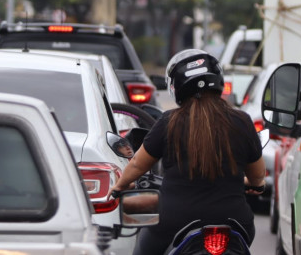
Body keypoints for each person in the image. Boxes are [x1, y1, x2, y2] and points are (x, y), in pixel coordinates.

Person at [110, 49, 266, 255]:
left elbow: (138, 164)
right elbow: (257, 175)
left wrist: (119, 187)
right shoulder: (242, 121)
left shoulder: (169, 122)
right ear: (218, 80)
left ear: (177, 87)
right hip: (234, 221)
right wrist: (254, 185)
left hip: (174, 221)